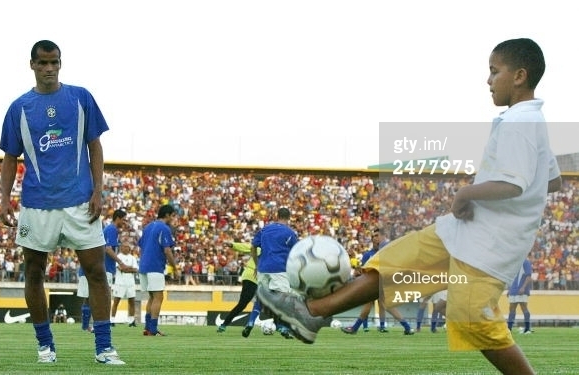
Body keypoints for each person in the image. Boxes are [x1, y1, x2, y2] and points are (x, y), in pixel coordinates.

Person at [257, 38, 561, 375]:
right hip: (464, 232)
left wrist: (467, 195)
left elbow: (513, 183)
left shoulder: (521, 123)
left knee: (473, 319)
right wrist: (520, 201)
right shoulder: (528, 121)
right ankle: (309, 313)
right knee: (389, 265)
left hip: (488, 245)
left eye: (494, 72)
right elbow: (552, 180)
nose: (488, 81)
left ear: (519, 76)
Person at [0, 40, 125, 365]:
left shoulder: (80, 97)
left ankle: (104, 348)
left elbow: (95, 146)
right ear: (32, 65)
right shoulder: (19, 107)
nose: (49, 68)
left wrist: (98, 191)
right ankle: (45, 346)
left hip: (80, 202)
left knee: (96, 272)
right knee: (34, 273)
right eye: (42, 63)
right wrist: (4, 200)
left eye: (54, 62)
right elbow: (10, 158)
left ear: (60, 63)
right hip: (37, 205)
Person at [342, 229, 413, 335]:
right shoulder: (368, 255)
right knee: (386, 306)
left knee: (369, 304)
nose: (376, 237)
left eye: (378, 235)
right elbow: (364, 270)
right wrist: (358, 273)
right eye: (374, 236)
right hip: (373, 283)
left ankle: (355, 328)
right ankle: (407, 327)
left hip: (381, 282)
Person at [251, 207, 298, 339]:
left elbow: (253, 246)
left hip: (263, 268)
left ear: (277, 215)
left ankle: (250, 322)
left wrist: (256, 265)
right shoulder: (289, 232)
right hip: (280, 269)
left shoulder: (265, 229)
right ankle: (282, 326)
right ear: (289, 218)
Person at [77, 209, 126, 331]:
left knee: (89, 296)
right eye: (124, 219)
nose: (125, 222)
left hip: (94, 266)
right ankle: (100, 324)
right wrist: (120, 262)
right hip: (103, 268)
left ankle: (86, 326)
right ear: (118, 218)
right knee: (102, 295)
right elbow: (108, 249)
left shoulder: (107, 230)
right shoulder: (111, 229)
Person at [138, 204, 180, 336]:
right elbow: (167, 250)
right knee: (158, 297)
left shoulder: (148, 226)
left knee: (151, 297)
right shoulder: (164, 228)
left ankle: (148, 327)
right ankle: (153, 328)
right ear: (167, 215)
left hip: (144, 265)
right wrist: (175, 268)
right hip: (155, 266)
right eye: (172, 215)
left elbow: (141, 245)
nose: (173, 218)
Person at [217, 241, 262, 337]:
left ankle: (225, 324)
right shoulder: (262, 249)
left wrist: (233, 245)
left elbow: (246, 247)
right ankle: (224, 324)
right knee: (243, 304)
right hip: (252, 277)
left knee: (248, 304)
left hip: (258, 279)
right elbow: (246, 247)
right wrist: (233, 245)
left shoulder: (270, 251)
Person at [110, 239, 138, 327]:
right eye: (124, 246)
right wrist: (129, 268)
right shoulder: (118, 257)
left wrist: (126, 268)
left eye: (127, 247)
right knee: (116, 301)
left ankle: (131, 320)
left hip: (130, 283)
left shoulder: (133, 258)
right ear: (121, 248)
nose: (126, 248)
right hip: (120, 283)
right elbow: (121, 269)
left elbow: (135, 269)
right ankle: (112, 320)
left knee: (132, 302)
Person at [507, 255, 533, 334]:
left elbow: (528, 277)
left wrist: (523, 287)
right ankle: (509, 329)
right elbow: (511, 277)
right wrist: (509, 289)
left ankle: (527, 328)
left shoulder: (525, 262)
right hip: (513, 289)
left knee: (523, 307)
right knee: (511, 308)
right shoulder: (514, 264)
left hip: (521, 289)